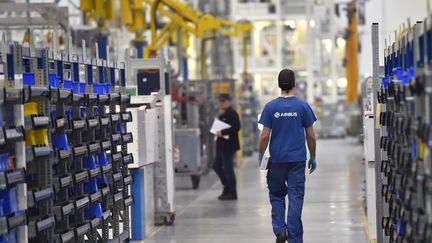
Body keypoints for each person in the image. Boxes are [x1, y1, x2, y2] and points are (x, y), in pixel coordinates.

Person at [258, 69, 317, 243]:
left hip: (276, 160)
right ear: (294, 84)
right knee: (296, 197)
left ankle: (280, 230)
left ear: (278, 84)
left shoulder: (270, 107)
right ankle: (295, 239)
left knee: (276, 195)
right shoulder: (303, 106)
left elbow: (264, 136)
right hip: (297, 161)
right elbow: (311, 135)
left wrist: (261, 154)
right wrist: (312, 156)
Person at [213, 93, 241, 200]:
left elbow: (237, 127)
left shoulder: (232, 114)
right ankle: (226, 186)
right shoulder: (222, 114)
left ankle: (232, 192)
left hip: (229, 146)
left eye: (223, 101)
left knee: (229, 169)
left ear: (229, 102)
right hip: (221, 146)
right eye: (220, 101)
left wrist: (223, 132)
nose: (221, 103)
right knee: (216, 166)